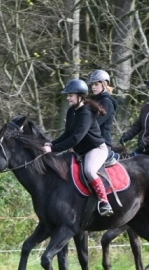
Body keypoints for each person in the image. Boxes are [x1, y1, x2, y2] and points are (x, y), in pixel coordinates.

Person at [43, 79, 113, 216]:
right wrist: (52, 143)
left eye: (70, 95)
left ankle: (104, 202)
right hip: (82, 151)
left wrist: (53, 149)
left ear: (80, 96)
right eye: (67, 95)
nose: (68, 98)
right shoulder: (71, 111)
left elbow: (76, 138)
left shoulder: (85, 113)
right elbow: (67, 133)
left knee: (89, 170)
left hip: (96, 149)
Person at [87, 69, 118, 149]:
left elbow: (96, 123)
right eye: (92, 84)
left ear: (104, 84)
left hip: (102, 144)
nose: (93, 87)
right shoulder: (95, 100)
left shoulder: (106, 102)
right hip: (92, 142)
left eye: (96, 84)